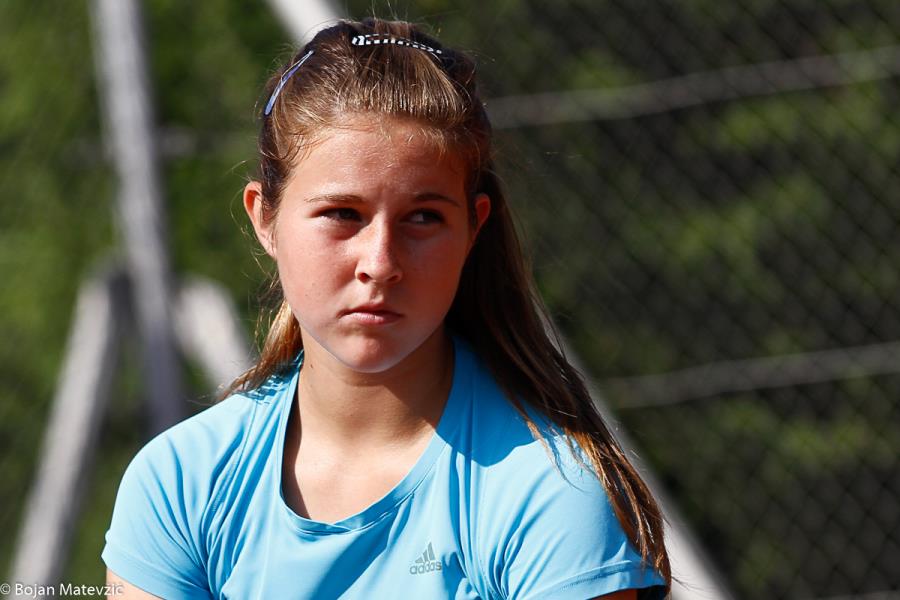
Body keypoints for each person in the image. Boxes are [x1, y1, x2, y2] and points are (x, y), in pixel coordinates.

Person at [102, 17, 671, 599]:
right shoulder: (180, 483)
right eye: (342, 214)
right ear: (265, 218)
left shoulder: (549, 496)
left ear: (473, 228)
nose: (380, 262)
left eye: (423, 217)